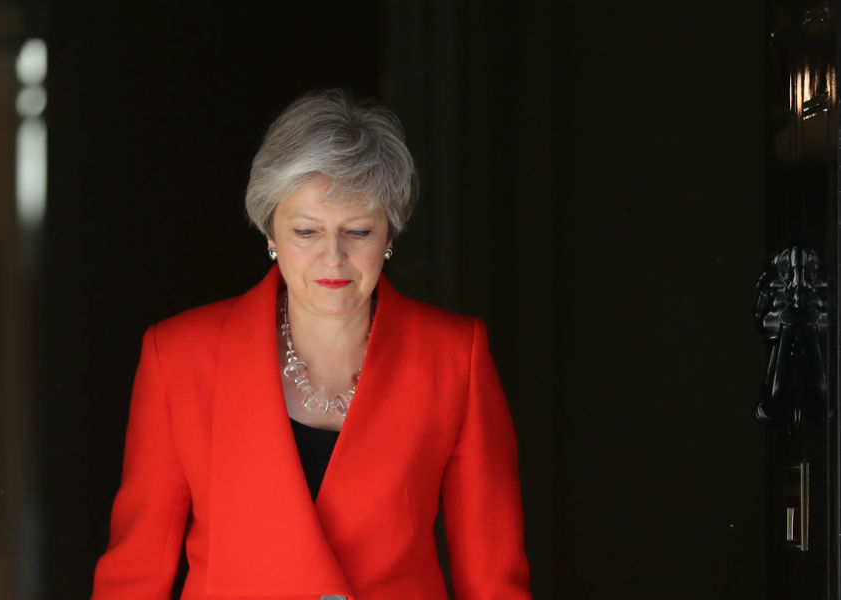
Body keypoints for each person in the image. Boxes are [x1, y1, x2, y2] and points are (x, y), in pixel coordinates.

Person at [90, 89, 532, 600]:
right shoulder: (178, 357)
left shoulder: (455, 357)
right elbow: (135, 577)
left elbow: (493, 580)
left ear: (390, 233)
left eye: (358, 231)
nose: (333, 256)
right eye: (306, 231)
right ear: (270, 231)